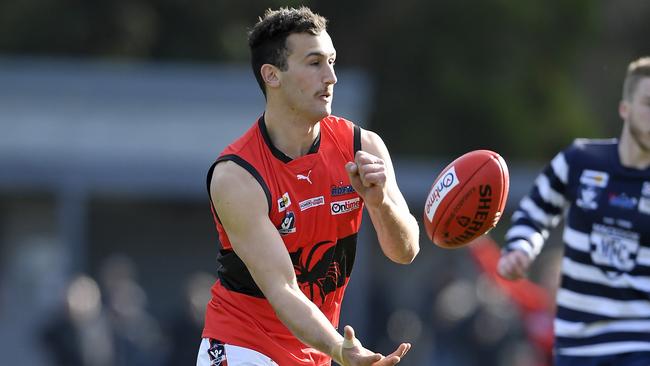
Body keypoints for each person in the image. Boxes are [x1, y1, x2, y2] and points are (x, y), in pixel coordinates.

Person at [197, 6, 420, 366]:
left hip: (316, 350)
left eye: (332, 61)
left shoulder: (364, 146)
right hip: (243, 346)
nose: (331, 76)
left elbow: (405, 251)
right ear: (272, 75)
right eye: (315, 63)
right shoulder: (237, 175)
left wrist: (380, 204)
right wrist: (338, 349)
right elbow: (283, 289)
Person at [497, 56, 650, 365]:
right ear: (625, 109)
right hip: (576, 345)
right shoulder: (580, 160)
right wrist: (520, 249)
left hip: (640, 342)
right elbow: (534, 212)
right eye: (648, 103)